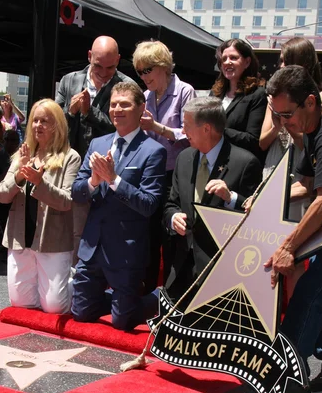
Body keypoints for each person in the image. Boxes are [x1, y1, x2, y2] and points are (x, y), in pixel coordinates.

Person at [250, 65, 322, 393]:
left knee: (310, 291)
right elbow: (306, 186)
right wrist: (265, 197)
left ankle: (289, 379)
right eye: (277, 115)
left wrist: (288, 246)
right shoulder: (311, 129)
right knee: (316, 291)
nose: (283, 123)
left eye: (287, 114)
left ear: (310, 101)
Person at [71, 81, 166, 331]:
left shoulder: (153, 151)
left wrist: (114, 180)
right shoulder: (97, 144)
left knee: (123, 323)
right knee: (81, 313)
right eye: (113, 104)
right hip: (93, 245)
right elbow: (77, 193)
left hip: (126, 250)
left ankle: (156, 300)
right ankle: (119, 303)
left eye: (124, 104)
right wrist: (94, 180)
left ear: (141, 108)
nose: (117, 110)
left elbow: (148, 204)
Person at [163, 96, 262, 303]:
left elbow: (256, 221)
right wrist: (173, 218)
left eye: (187, 125)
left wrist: (230, 197)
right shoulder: (184, 158)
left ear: (206, 129)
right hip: (182, 266)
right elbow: (171, 203)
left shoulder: (245, 163)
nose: (183, 131)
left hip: (219, 270)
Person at [0, 99, 81, 314]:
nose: (38, 126)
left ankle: (77, 283)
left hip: (53, 241)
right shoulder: (21, 155)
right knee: (21, 303)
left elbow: (67, 201)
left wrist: (39, 183)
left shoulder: (70, 158)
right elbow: (2, 196)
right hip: (20, 238)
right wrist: (18, 174)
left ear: (58, 126)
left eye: (45, 121)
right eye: (35, 120)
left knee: (54, 307)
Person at [132, 40, 196, 292]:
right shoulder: (145, 96)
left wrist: (158, 128)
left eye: (147, 70)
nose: (143, 76)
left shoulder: (185, 91)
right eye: (139, 71)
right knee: (147, 234)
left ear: (163, 67)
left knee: (171, 235)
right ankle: (145, 291)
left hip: (176, 175)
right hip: (150, 173)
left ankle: (171, 294)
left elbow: (191, 134)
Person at [260, 37, 322, 190]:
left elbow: (310, 146)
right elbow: (262, 143)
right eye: (280, 61)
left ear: (303, 63)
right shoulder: (276, 97)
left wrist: (285, 120)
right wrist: (276, 126)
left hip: (300, 165)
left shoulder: (321, 97)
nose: (280, 66)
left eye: (285, 61)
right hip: (274, 160)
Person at [55, 35, 134, 159]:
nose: (103, 73)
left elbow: (126, 129)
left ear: (118, 60)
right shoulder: (69, 80)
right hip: (68, 161)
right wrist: (70, 111)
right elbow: (53, 120)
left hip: (106, 163)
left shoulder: (128, 87)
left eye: (110, 68)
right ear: (89, 56)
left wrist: (89, 112)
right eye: (98, 66)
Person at [210, 39, 267, 161]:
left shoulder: (257, 95)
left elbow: (253, 140)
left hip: (239, 163)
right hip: (212, 160)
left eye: (233, 58)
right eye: (224, 59)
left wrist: (219, 131)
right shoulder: (215, 93)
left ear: (247, 62)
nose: (227, 62)